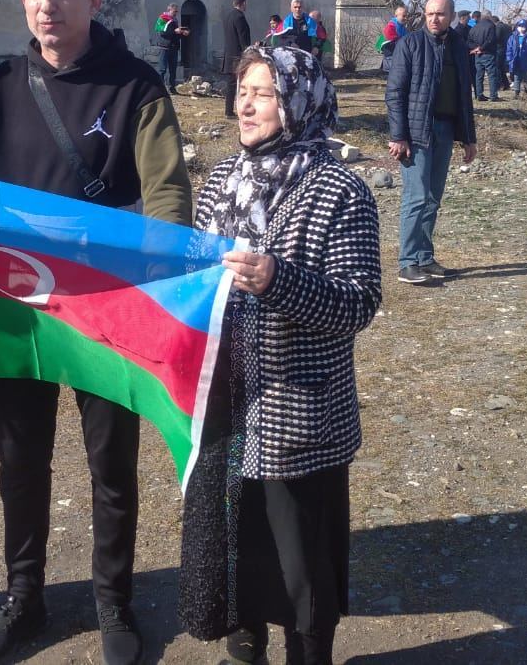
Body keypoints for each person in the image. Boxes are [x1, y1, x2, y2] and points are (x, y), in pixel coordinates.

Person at [0, 0, 191, 665]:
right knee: (21, 458)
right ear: (24, 2)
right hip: (15, 304)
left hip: (106, 303)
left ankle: (114, 599)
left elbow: (165, 187)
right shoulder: (4, 86)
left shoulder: (136, 85)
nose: (49, 4)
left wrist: (163, 267)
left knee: (112, 459)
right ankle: (24, 598)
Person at [179, 45, 382, 665]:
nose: (245, 102)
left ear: (298, 101)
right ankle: (245, 645)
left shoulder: (339, 189)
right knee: (234, 543)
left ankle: (307, 650)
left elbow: (357, 304)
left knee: (299, 556)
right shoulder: (220, 179)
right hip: (224, 405)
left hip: (300, 412)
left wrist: (277, 280)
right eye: (242, 88)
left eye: (264, 92)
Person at [386, 0, 477, 284]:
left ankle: (424, 256)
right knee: (416, 197)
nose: (434, 19)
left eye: (439, 14)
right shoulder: (410, 44)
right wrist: (398, 136)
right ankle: (407, 261)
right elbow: (395, 93)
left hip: (446, 130)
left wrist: (469, 138)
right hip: (415, 134)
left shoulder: (459, 48)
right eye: (429, 14)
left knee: (433, 198)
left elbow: (465, 96)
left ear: (450, 16)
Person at [221, 0, 252, 118]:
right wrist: (248, 54)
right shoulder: (239, 17)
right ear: (243, 2)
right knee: (237, 84)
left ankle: (229, 110)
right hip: (237, 57)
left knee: (231, 84)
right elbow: (243, 39)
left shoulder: (228, 16)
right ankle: (232, 111)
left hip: (229, 54)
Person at [154, 2, 188, 93]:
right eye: (174, 11)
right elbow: (162, 32)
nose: (176, 13)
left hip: (174, 48)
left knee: (173, 69)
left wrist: (182, 33)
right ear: (169, 10)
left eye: (177, 12)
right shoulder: (162, 18)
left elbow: (175, 35)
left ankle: (172, 88)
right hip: (164, 47)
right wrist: (174, 31)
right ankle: (159, 89)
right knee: (162, 69)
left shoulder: (174, 20)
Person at [468, 11, 500, 101]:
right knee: (491, 75)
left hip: (477, 55)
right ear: (489, 16)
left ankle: (479, 94)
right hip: (488, 53)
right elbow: (490, 40)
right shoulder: (491, 26)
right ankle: (493, 95)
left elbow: (469, 41)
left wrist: (476, 48)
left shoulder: (474, 27)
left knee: (479, 75)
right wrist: (481, 48)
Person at [505, 18, 527, 97]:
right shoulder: (512, 37)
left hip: (525, 60)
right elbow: (509, 49)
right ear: (517, 27)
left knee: (525, 77)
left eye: (523, 26)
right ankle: (516, 93)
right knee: (516, 77)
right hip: (515, 60)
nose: (521, 28)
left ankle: (526, 92)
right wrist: (509, 59)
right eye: (520, 26)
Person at [378, 6, 408, 74]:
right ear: (396, 15)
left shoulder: (402, 27)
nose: (405, 18)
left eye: (406, 16)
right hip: (390, 54)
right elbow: (392, 40)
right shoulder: (391, 26)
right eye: (403, 16)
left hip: (395, 55)